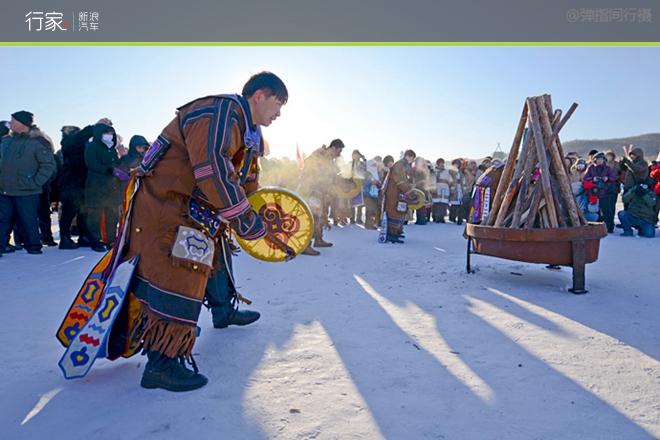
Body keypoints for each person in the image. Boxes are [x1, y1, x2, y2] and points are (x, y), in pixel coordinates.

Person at [121, 71, 289, 392]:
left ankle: (223, 310)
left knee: (216, 257)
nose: (279, 113)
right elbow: (212, 166)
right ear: (258, 96)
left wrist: (257, 212)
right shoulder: (218, 112)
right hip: (168, 205)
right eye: (277, 103)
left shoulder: (249, 131)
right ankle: (161, 363)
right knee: (180, 273)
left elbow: (247, 177)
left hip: (199, 207)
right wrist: (244, 218)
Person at [0, 111, 56, 256]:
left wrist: (35, 182)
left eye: (13, 121)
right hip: (5, 189)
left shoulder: (39, 142)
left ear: (22, 124)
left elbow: (48, 166)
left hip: (27, 190)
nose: (9, 124)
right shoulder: (7, 141)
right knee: (2, 220)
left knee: (29, 220)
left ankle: (33, 247)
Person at [297, 139, 343, 255]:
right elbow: (312, 172)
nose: (339, 154)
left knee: (319, 215)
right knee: (311, 215)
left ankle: (318, 239)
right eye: (339, 150)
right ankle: (305, 245)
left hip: (319, 190)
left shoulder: (328, 158)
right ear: (333, 147)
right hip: (311, 189)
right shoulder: (318, 155)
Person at [84, 123, 125, 252]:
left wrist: (121, 168)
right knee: (95, 217)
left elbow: (115, 163)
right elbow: (92, 164)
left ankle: (111, 241)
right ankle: (96, 241)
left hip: (111, 187)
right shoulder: (92, 147)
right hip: (96, 187)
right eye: (106, 133)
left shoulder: (112, 149)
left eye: (111, 133)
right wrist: (111, 170)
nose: (109, 135)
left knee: (112, 216)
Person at [381, 150, 419, 243]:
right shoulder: (399, 165)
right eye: (412, 158)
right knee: (394, 212)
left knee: (400, 212)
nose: (412, 161)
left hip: (399, 193)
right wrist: (411, 195)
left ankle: (397, 231)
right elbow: (401, 181)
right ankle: (392, 234)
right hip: (394, 193)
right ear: (407, 156)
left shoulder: (404, 166)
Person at [583, 152, 616, 233]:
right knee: (595, 211)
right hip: (594, 193)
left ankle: (610, 227)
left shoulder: (608, 168)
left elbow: (613, 177)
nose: (600, 161)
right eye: (598, 159)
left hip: (605, 192)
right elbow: (585, 178)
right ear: (595, 160)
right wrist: (593, 179)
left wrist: (607, 179)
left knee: (607, 210)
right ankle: (596, 227)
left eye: (601, 159)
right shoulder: (590, 168)